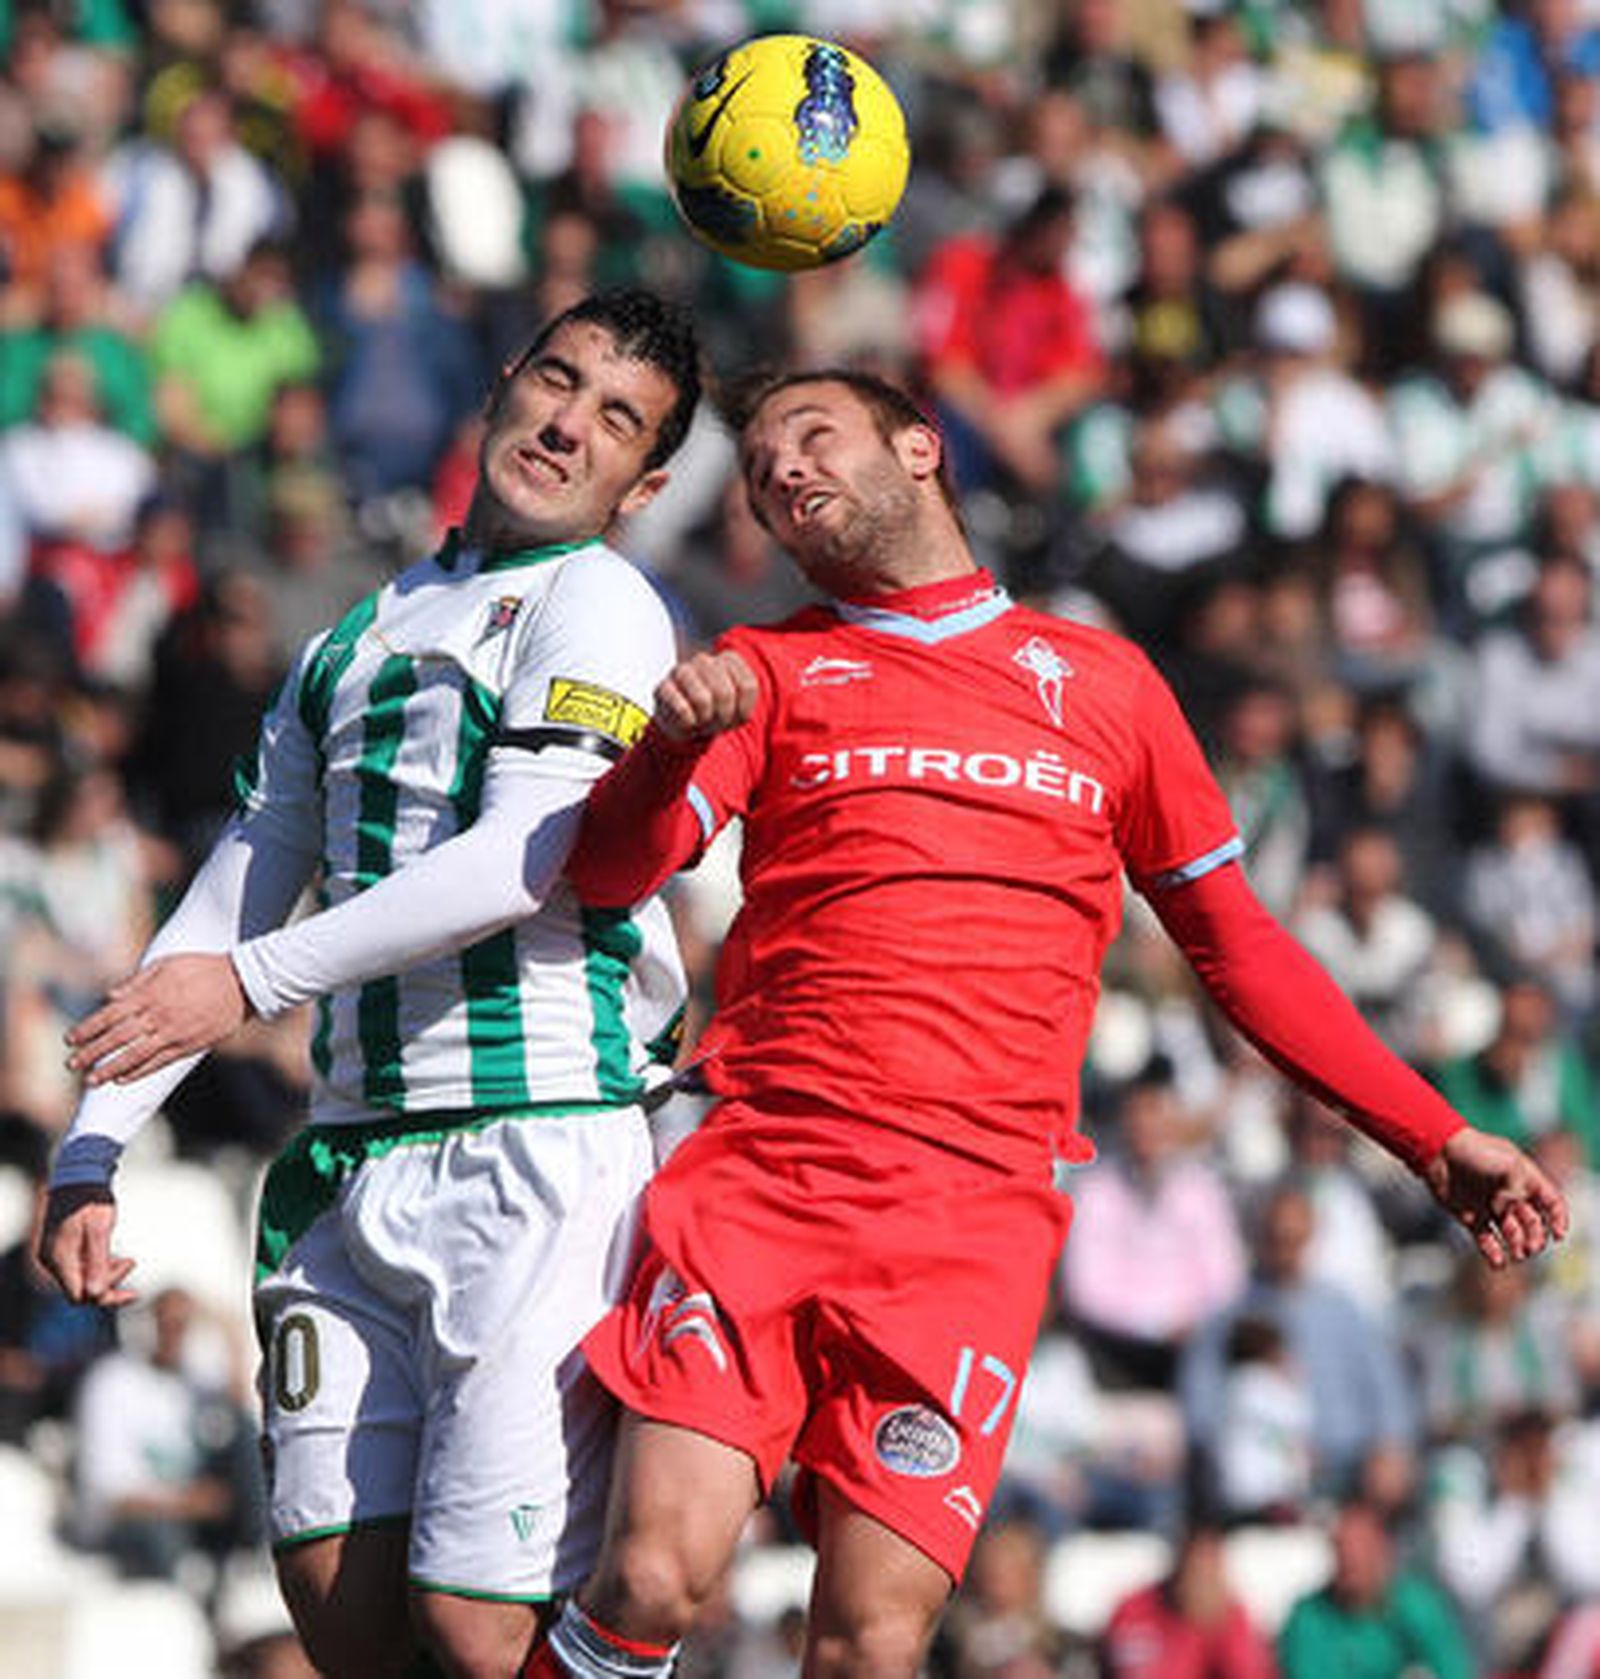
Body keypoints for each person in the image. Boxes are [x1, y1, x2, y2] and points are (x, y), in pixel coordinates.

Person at [532, 368, 1564, 1679]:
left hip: (972, 1223)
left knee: (870, 1644)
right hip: (767, 1177)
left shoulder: (1108, 687)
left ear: (921, 449)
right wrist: (670, 746)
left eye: (813, 436)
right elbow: (615, 870)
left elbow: (1238, 946)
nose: (782, 472)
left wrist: (1432, 1135)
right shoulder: (765, 669)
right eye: (759, 473)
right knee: (652, 1576)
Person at [39, 288, 703, 1679]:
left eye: (618, 418)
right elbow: (240, 882)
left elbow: (522, 862)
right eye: (560, 380)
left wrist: (255, 985)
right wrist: (92, 1151)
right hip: (349, 1160)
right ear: (503, 385)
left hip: (534, 1147)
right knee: (346, 1624)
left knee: (474, 1631)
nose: (569, 422)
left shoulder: (600, 605)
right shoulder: (359, 630)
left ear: (643, 485)